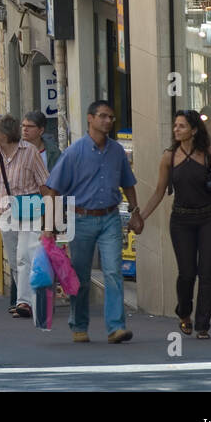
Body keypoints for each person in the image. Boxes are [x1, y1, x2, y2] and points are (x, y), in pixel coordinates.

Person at [132, 110, 211, 340]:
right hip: (181, 220)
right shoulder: (168, 157)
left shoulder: (208, 155)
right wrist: (142, 216)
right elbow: (159, 191)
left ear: (194, 130)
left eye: (181, 126)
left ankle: (203, 325)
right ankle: (184, 312)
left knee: (207, 272)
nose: (176, 130)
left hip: (209, 218)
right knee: (187, 273)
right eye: (175, 126)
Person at [43, 100, 138, 344]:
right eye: (103, 116)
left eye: (111, 117)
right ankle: (79, 325)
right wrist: (49, 225)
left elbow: (128, 183)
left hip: (110, 218)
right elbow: (52, 188)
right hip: (81, 218)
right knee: (81, 276)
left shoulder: (117, 151)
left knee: (113, 271)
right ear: (90, 118)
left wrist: (136, 212)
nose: (108, 121)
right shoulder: (75, 152)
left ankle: (116, 327)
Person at [0, 114, 49, 319]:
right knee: (14, 260)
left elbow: (44, 184)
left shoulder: (29, 152)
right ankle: (27, 299)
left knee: (25, 257)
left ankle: (25, 302)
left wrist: (50, 215)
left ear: (5, 132)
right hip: (6, 213)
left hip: (30, 211)